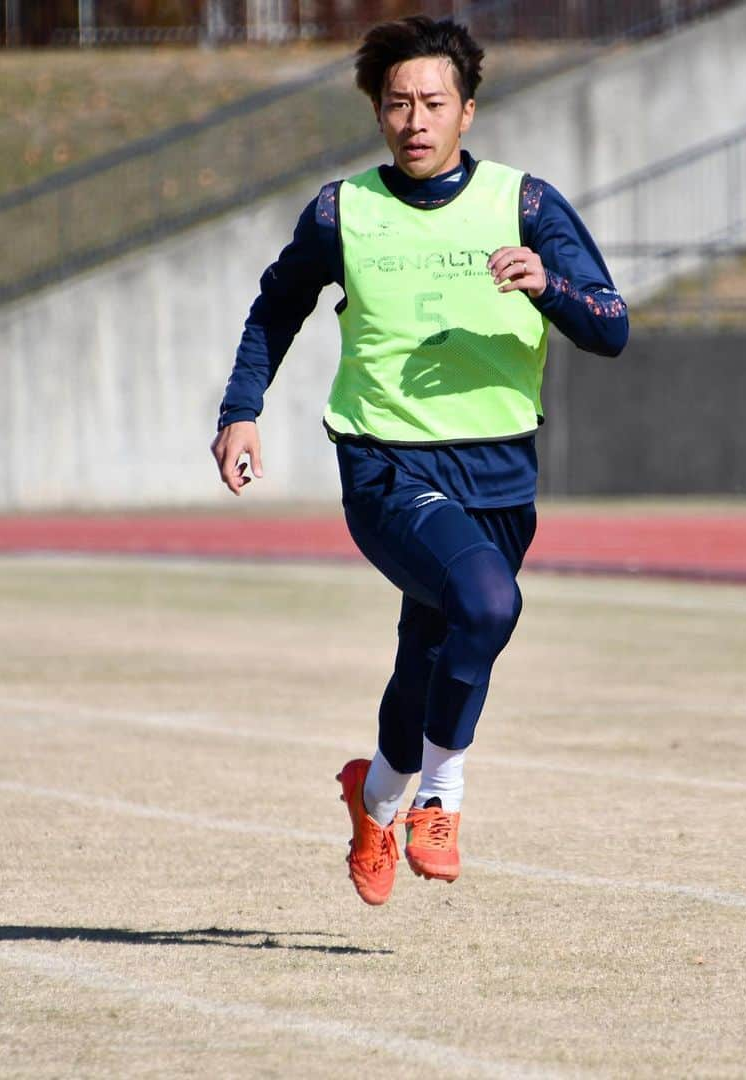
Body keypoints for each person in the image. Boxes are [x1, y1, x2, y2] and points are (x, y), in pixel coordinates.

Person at [212, 15, 628, 906]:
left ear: (467, 110)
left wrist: (547, 286)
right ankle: (441, 797)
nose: (415, 119)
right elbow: (275, 305)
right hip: (387, 465)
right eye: (397, 103)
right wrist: (241, 411)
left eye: (433, 102)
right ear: (377, 112)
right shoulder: (342, 210)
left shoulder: (526, 205)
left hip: (502, 472)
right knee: (487, 601)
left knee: (432, 652)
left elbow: (613, 326)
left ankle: (375, 801)